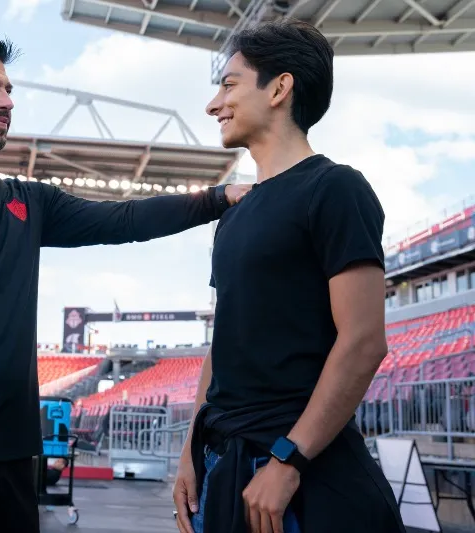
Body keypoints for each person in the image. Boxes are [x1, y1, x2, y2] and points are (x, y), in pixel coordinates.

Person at [0, 29, 251, 533]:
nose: (7, 101)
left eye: (9, 89)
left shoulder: (28, 203)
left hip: (14, 456)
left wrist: (218, 197)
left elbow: (121, 220)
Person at [172, 19, 407, 533]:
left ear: (280, 88)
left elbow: (364, 340)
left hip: (293, 478)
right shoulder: (234, 214)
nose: (214, 104)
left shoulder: (336, 189)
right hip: (224, 465)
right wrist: (191, 451)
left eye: (229, 84)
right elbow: (223, 342)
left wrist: (289, 461)